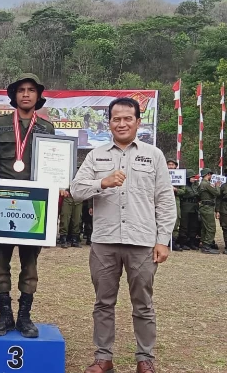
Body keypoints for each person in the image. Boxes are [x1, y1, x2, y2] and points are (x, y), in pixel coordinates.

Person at [71, 97, 176, 373]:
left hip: (142, 242)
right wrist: (101, 182)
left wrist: (163, 240)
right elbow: (76, 190)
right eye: (116, 118)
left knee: (143, 304)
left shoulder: (154, 155)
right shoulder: (96, 155)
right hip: (104, 242)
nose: (122, 123)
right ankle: (103, 357)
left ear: (138, 122)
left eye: (128, 118)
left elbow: (165, 200)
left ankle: (145, 359)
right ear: (109, 122)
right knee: (103, 303)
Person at [0, 73, 58, 338]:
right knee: (1, 262)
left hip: (33, 207)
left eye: (32, 90)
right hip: (3, 203)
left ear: (38, 96)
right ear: (14, 96)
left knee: (30, 264)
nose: (27, 94)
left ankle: (25, 317)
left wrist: (60, 181)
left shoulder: (46, 129)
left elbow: (55, 163)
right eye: (21, 90)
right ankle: (5, 315)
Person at [198, 168, 220, 254]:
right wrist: (217, 186)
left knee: (205, 227)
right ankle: (206, 245)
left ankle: (205, 243)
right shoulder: (206, 184)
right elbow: (217, 193)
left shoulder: (202, 184)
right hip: (207, 208)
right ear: (208, 174)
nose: (211, 177)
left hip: (205, 207)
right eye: (211, 175)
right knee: (211, 228)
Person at [166, 159, 186, 251]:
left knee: (176, 220)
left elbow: (183, 191)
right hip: (163, 200)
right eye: (168, 164)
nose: (170, 166)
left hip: (175, 200)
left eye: (172, 164)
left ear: (175, 166)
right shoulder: (162, 175)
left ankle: (172, 242)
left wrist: (176, 190)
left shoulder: (179, 177)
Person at [178, 170, 200, 250]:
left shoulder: (194, 185)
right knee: (184, 225)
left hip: (194, 207)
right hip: (185, 207)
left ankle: (192, 242)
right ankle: (182, 243)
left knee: (193, 226)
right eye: (192, 177)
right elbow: (192, 194)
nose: (194, 179)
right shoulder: (184, 186)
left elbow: (198, 194)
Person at [58, 184, 83, 248]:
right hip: (67, 195)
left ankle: (75, 239)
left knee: (77, 219)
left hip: (79, 196)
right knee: (65, 218)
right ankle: (63, 239)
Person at [215, 169, 227, 254]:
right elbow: (218, 199)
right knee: (225, 228)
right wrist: (217, 210)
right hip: (224, 209)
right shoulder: (223, 186)